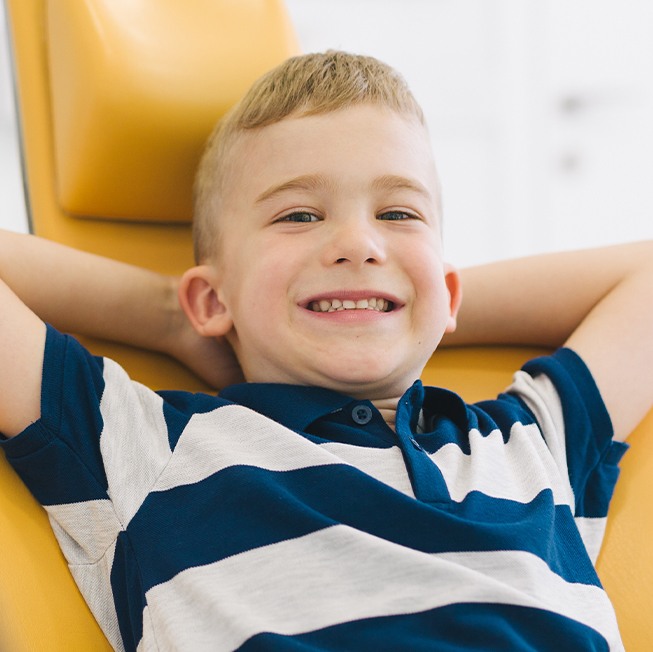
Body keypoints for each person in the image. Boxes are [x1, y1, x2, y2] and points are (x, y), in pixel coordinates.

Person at [0, 50, 651, 652]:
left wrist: (417, 298)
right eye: (299, 216)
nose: (359, 244)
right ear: (209, 301)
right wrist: (174, 316)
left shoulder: (531, 443)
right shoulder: (143, 446)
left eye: (398, 215)